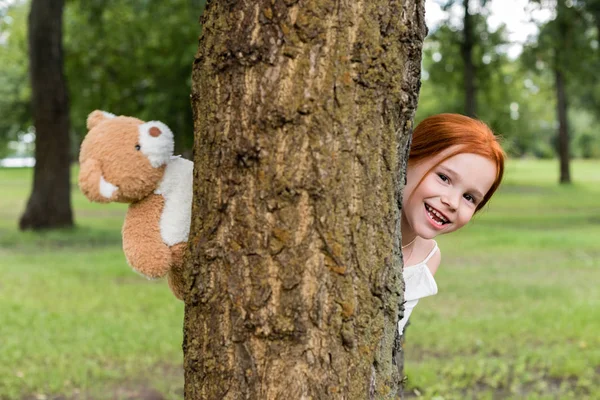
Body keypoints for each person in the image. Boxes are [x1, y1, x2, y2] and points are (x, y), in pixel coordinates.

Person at [398, 113, 506, 335]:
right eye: (444, 178)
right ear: (409, 158)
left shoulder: (427, 259)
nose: (452, 202)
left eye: (469, 198)